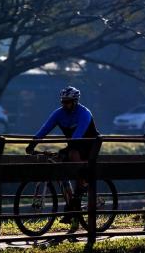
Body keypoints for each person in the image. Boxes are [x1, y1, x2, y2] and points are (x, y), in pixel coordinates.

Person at [25, 86, 100, 223]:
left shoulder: (84, 113)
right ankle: (71, 202)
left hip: (90, 144)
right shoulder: (59, 113)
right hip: (74, 144)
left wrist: (67, 150)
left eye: (68, 102)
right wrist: (33, 143)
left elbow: (78, 135)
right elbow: (45, 128)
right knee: (60, 161)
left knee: (72, 154)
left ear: (75, 101)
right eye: (63, 102)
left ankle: (81, 187)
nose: (65, 104)